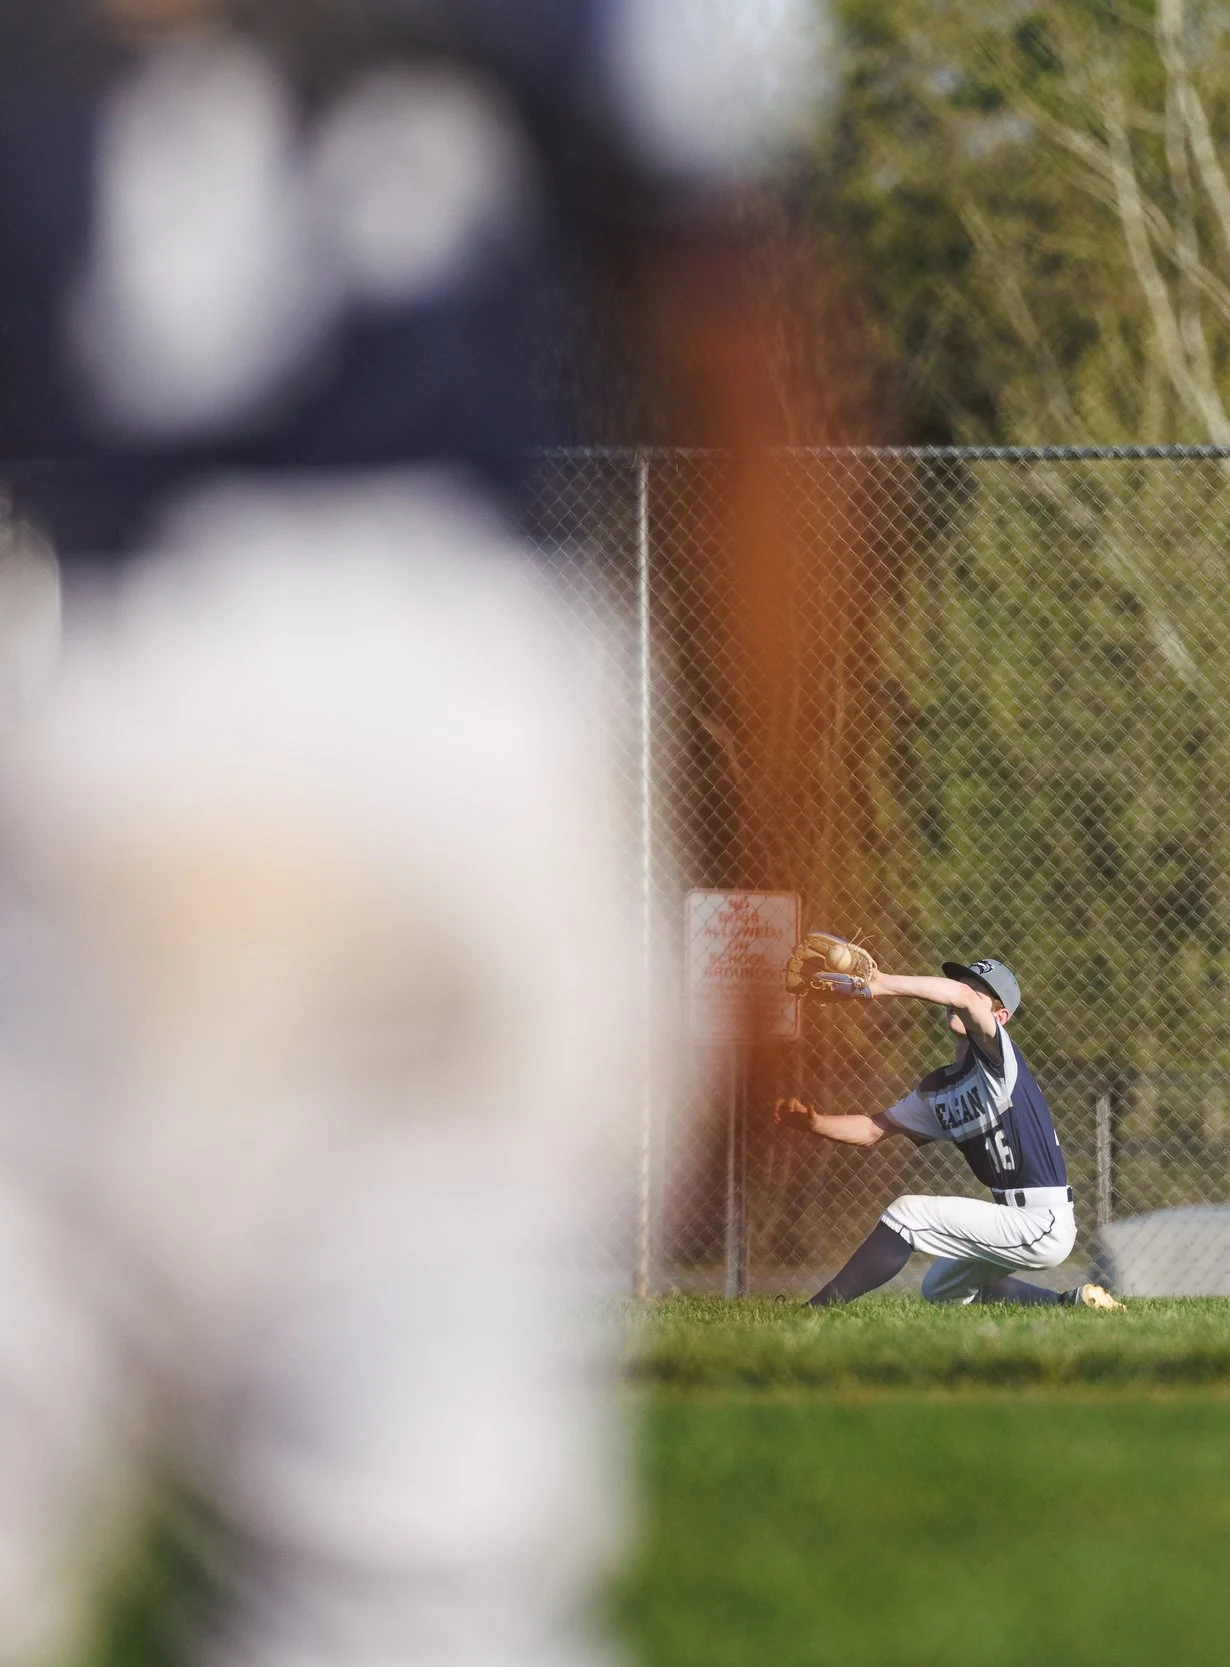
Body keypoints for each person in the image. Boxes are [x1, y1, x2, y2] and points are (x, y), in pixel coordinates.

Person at [0, 3, 829, 1664]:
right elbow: (751, 360)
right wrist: (789, 896)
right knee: (418, 1584)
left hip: (89, 693)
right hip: (456, 741)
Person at [773, 956, 1126, 1310]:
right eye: (963, 983)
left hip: (1042, 1220)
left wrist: (882, 982)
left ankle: (815, 1310)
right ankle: (1071, 1303)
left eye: (979, 991)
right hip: (1012, 1218)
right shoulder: (938, 1088)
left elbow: (963, 999)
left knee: (907, 1214)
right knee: (941, 1288)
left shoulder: (999, 1062)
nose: (966, 992)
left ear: (1000, 1019)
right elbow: (872, 1128)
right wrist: (814, 1122)